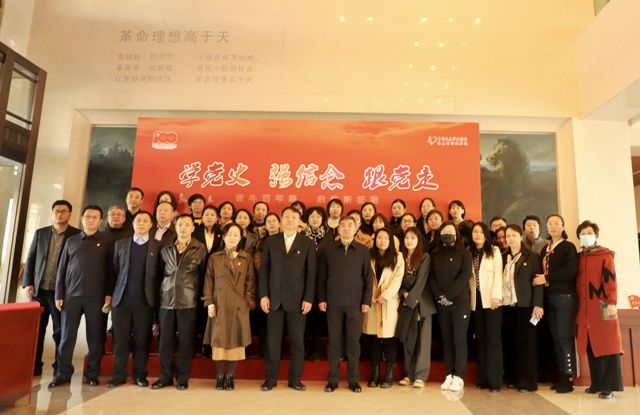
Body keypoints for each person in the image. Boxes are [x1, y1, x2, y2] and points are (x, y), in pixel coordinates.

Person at [49, 205, 114, 388]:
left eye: (94, 217)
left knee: (95, 338)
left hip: (97, 298)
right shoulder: (71, 241)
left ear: (100, 221)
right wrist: (59, 293)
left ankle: (92, 374)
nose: (90, 220)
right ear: (81, 219)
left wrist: (108, 293)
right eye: (87, 216)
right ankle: (63, 373)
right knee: (66, 337)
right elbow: (61, 269)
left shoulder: (107, 241)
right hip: (71, 296)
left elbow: (112, 270)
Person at [259, 208, 316, 392]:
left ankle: (295, 379)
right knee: (273, 343)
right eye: (287, 217)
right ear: (281, 220)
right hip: (274, 299)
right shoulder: (271, 241)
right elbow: (264, 270)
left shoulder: (307, 242)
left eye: (294, 217)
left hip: (298, 301)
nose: (290, 220)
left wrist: (308, 298)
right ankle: (270, 379)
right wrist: (263, 295)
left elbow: (311, 274)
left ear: (299, 221)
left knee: (297, 342)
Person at [23, 200, 80, 376]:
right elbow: (31, 258)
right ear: (52, 212)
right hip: (39, 291)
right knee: (37, 331)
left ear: (70, 214)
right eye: (56, 211)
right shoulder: (40, 233)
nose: (59, 214)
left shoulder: (76, 235)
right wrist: (28, 282)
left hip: (60, 293)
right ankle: (35, 367)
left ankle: (59, 367)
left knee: (60, 331)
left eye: (63, 211)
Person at [318, 216, 373, 393]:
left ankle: (353, 381)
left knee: (353, 343)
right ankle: (333, 380)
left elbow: (368, 279)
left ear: (356, 229)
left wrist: (366, 301)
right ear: (338, 229)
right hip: (333, 303)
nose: (346, 228)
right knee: (334, 342)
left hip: (355, 304)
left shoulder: (363, 250)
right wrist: (322, 299)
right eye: (343, 225)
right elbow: (322, 277)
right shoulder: (329, 249)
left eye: (350, 225)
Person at [107, 211, 162, 388]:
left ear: (151, 225)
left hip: (145, 302)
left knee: (142, 340)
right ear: (133, 223)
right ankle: (119, 374)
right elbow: (115, 271)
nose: (141, 223)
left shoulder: (157, 246)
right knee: (120, 340)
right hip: (121, 300)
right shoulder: (121, 244)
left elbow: (159, 275)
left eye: (145, 221)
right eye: (138, 220)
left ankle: (139, 375)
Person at [152, 214, 207, 390]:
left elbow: (204, 275)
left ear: (193, 228)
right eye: (180, 224)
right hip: (166, 300)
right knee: (165, 342)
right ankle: (165, 376)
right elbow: (160, 274)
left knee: (186, 342)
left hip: (189, 301)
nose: (183, 228)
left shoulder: (200, 248)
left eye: (187, 225)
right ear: (175, 227)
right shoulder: (165, 247)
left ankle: (182, 377)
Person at [203, 223, 256, 391]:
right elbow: (208, 281)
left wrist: (248, 301)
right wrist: (209, 302)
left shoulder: (246, 258)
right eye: (229, 234)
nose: (232, 237)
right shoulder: (215, 257)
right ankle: (220, 376)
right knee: (219, 342)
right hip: (219, 304)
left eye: (236, 235)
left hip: (239, 306)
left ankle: (230, 376)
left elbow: (250, 282)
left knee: (236, 342)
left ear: (240, 238)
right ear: (224, 237)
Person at [575, 220, 623, 399]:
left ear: (596, 235)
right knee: (591, 345)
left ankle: (609, 387)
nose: (586, 236)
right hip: (584, 310)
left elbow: (611, 280)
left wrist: (612, 302)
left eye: (589, 233)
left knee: (609, 345)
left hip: (603, 307)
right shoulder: (579, 257)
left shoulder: (605, 256)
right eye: (583, 233)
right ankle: (597, 383)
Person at [534, 214, 579, 393]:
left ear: (563, 226)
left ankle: (568, 377)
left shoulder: (568, 247)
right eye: (550, 224)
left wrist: (546, 277)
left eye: (556, 223)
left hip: (565, 298)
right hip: (549, 298)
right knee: (555, 337)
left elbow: (571, 271)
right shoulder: (545, 249)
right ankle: (561, 375)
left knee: (564, 338)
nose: (553, 226)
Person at [428, 222, 472, 392]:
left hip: (460, 303)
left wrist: (449, 296)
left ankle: (459, 376)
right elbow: (431, 278)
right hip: (442, 304)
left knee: (459, 340)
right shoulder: (435, 255)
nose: (447, 235)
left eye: (451, 232)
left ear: (456, 235)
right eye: (444, 232)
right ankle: (449, 374)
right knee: (446, 340)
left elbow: (464, 276)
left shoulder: (465, 254)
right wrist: (440, 297)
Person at [502, 225, 543, 392]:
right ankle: (513, 378)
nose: (510, 238)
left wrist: (538, 304)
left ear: (521, 236)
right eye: (508, 236)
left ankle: (527, 382)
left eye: (514, 235)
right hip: (508, 306)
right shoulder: (503, 257)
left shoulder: (532, 256)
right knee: (511, 343)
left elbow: (538, 282)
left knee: (527, 345)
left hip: (526, 305)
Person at [363, 228, 404, 389]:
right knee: (373, 338)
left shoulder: (397, 257)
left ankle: (388, 375)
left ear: (390, 241)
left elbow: (397, 280)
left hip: (389, 302)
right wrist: (369, 296)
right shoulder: (368, 255)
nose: (382, 241)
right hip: (372, 301)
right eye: (379, 238)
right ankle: (374, 374)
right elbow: (363, 277)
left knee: (389, 339)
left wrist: (385, 296)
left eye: (386, 238)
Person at [396, 227, 435, 389]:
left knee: (423, 342)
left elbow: (421, 282)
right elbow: (396, 280)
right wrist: (403, 293)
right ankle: (409, 374)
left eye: (413, 238)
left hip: (421, 305)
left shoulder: (425, 257)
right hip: (405, 303)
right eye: (407, 238)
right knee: (408, 340)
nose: (409, 241)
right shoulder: (400, 257)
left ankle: (420, 376)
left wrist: (412, 301)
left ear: (418, 240)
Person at [468, 222, 503, 392]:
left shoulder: (494, 251)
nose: (477, 234)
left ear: (486, 234)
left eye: (481, 232)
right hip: (476, 301)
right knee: (480, 340)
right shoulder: (469, 252)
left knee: (493, 340)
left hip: (492, 300)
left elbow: (498, 274)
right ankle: (482, 378)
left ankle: (495, 381)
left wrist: (497, 296)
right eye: (475, 232)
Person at [192, 205, 223, 358]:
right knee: (198, 310)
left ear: (217, 218)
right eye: (206, 214)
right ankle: (197, 344)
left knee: (211, 311)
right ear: (202, 217)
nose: (209, 217)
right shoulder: (195, 232)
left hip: (215, 277)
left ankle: (208, 345)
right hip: (196, 276)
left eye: (212, 215)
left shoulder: (222, 233)